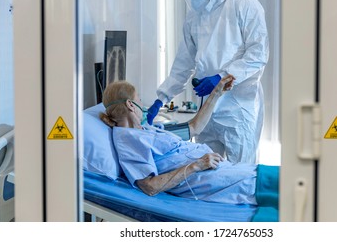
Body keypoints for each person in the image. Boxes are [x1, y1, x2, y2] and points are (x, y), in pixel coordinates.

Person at [147, 0, 269, 164]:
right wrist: (162, 97)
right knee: (207, 169)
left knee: (241, 172)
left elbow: (258, 54)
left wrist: (221, 78)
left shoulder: (244, 5)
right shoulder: (194, 18)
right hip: (207, 112)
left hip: (238, 108)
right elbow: (184, 63)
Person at [99, 75, 260, 205]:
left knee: (264, 176)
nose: (142, 103)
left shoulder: (144, 130)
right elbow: (149, 186)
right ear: (130, 105)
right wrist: (197, 165)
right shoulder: (128, 140)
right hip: (205, 178)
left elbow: (194, 128)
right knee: (264, 184)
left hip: (216, 169)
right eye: (139, 99)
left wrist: (216, 93)